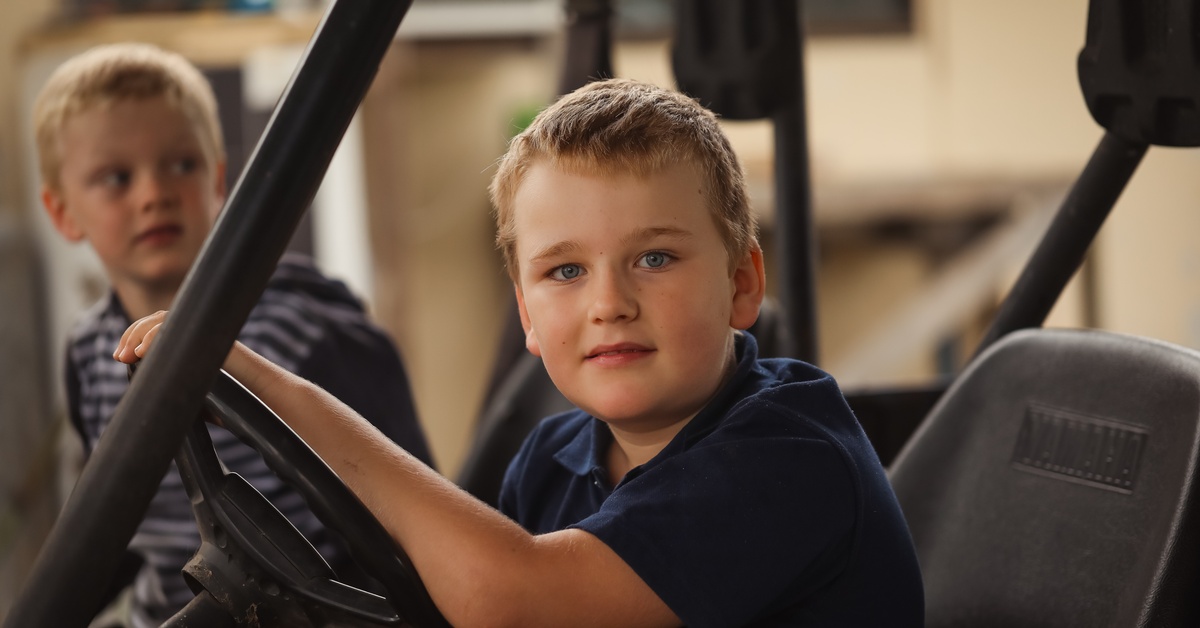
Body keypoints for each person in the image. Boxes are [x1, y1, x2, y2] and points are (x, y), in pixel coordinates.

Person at [117, 78, 924, 626]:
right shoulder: (553, 460)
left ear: (743, 284)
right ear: (527, 315)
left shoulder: (789, 458)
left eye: (655, 258)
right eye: (565, 271)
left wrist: (277, 388)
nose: (609, 303)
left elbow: (513, 600)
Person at [34, 42, 434, 627]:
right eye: (116, 178)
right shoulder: (90, 351)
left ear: (218, 180)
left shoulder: (310, 333)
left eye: (181, 165)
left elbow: (413, 520)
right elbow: (112, 526)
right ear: (64, 212)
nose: (154, 194)